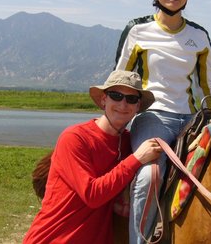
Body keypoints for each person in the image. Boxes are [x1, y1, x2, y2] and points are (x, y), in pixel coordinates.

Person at [114, 0, 211, 243]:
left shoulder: (199, 36)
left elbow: (209, 86)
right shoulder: (137, 30)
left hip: (191, 119)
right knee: (149, 175)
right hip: (153, 117)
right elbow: (119, 79)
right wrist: (113, 123)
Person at [23, 70, 163, 244]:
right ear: (104, 100)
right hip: (54, 239)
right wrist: (136, 159)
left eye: (131, 99)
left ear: (137, 107)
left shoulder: (130, 142)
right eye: (116, 96)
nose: (123, 104)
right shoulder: (75, 138)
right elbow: (92, 195)